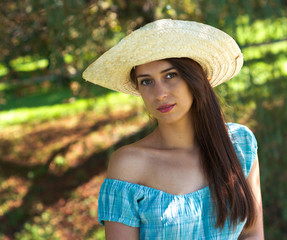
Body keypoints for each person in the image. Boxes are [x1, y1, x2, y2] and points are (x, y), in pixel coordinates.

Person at [83, 19, 264, 240]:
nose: (159, 94)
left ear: (197, 80)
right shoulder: (129, 165)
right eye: (146, 82)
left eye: (171, 75)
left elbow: (253, 234)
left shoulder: (240, 144)